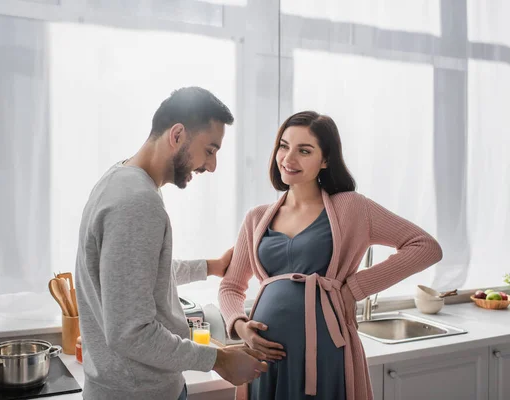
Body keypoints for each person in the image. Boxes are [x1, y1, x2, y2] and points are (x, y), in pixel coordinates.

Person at [219, 111, 443, 400]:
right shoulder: (256, 217)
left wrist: (354, 289)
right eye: (284, 146)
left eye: (304, 150)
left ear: (325, 160)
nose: (288, 158)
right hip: (266, 357)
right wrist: (240, 326)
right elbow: (231, 286)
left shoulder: (351, 208)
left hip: (324, 351)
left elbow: (425, 246)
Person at [75, 87, 268, 400]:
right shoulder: (137, 203)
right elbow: (130, 333)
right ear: (177, 135)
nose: (212, 166)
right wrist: (219, 360)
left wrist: (211, 267)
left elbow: (140, 276)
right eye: (210, 150)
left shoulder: (119, 180)